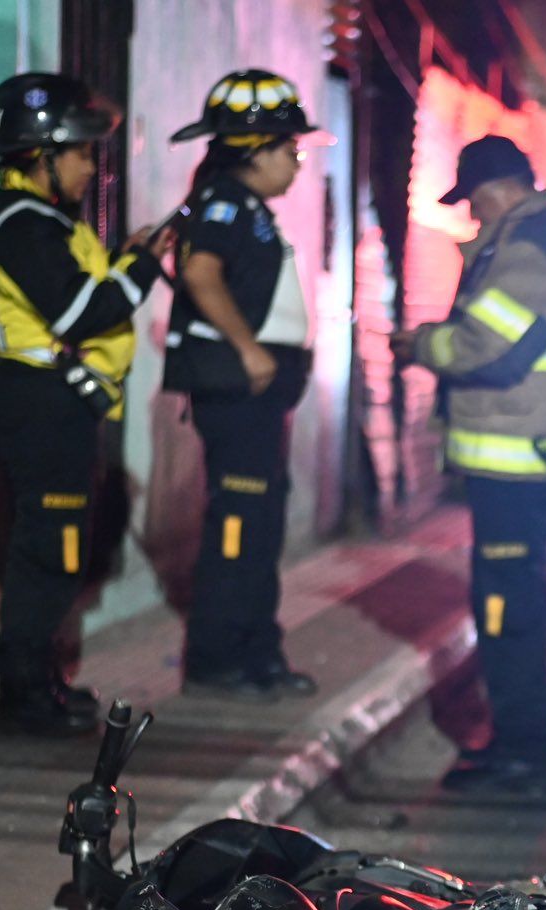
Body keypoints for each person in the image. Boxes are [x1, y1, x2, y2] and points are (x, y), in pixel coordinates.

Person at [392, 136, 546, 795]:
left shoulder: (532, 244)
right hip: (520, 452)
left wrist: (422, 344)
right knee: (507, 601)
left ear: (494, 192)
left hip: (521, 456)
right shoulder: (539, 236)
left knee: (507, 607)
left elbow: (495, 349)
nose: (472, 218)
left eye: (472, 205)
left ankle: (523, 753)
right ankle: (515, 743)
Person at [0, 72, 171, 737]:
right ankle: (23, 699)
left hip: (50, 403)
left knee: (54, 554)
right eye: (81, 153)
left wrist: (129, 260)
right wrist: (139, 265)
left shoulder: (45, 219)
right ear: (40, 155)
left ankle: (44, 682)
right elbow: (83, 310)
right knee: (45, 557)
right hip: (37, 405)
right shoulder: (24, 224)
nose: (92, 166)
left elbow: (80, 292)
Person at [164, 70, 322, 701]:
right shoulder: (225, 204)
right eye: (290, 148)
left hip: (257, 397)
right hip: (237, 392)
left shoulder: (246, 207)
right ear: (254, 149)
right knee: (240, 525)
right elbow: (201, 273)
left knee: (259, 526)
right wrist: (250, 349)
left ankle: (259, 653)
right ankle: (218, 659)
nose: (298, 162)